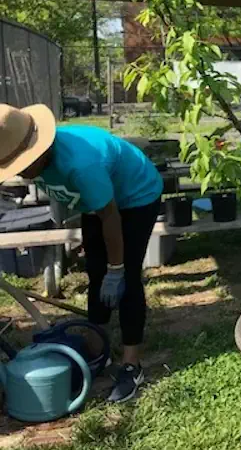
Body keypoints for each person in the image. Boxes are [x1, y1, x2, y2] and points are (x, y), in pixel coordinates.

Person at [0, 104, 163, 403]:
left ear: (38, 151)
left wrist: (117, 270)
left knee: (125, 276)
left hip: (136, 196)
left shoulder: (81, 163)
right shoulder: (30, 156)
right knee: (95, 271)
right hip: (97, 199)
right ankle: (97, 344)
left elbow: (110, 216)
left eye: (22, 166)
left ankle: (131, 364)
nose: (21, 173)